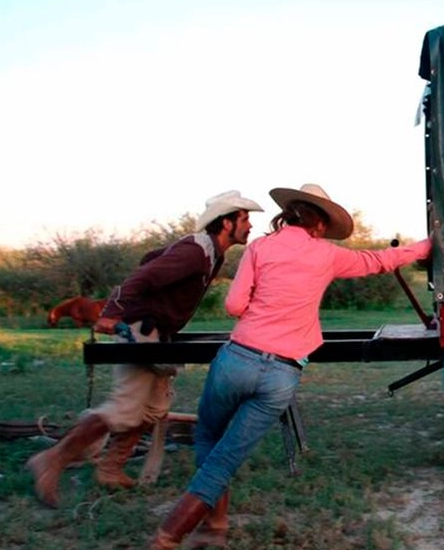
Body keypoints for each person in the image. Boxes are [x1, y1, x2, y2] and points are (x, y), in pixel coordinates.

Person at [142, 183, 431, 550]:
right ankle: (188, 535)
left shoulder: (260, 248)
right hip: (282, 374)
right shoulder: (327, 255)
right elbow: (379, 260)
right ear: (320, 224)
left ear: (289, 213)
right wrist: (430, 244)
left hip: (237, 360)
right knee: (224, 460)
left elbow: (233, 305)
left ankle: (194, 533)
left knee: (209, 440)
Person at [25, 190, 264, 508]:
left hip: (158, 335)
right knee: (125, 409)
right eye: (244, 219)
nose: (249, 226)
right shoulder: (195, 251)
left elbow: (152, 257)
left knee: (153, 409)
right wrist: (112, 310)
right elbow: (146, 274)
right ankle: (52, 459)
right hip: (141, 331)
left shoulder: (209, 253)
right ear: (226, 222)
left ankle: (111, 467)